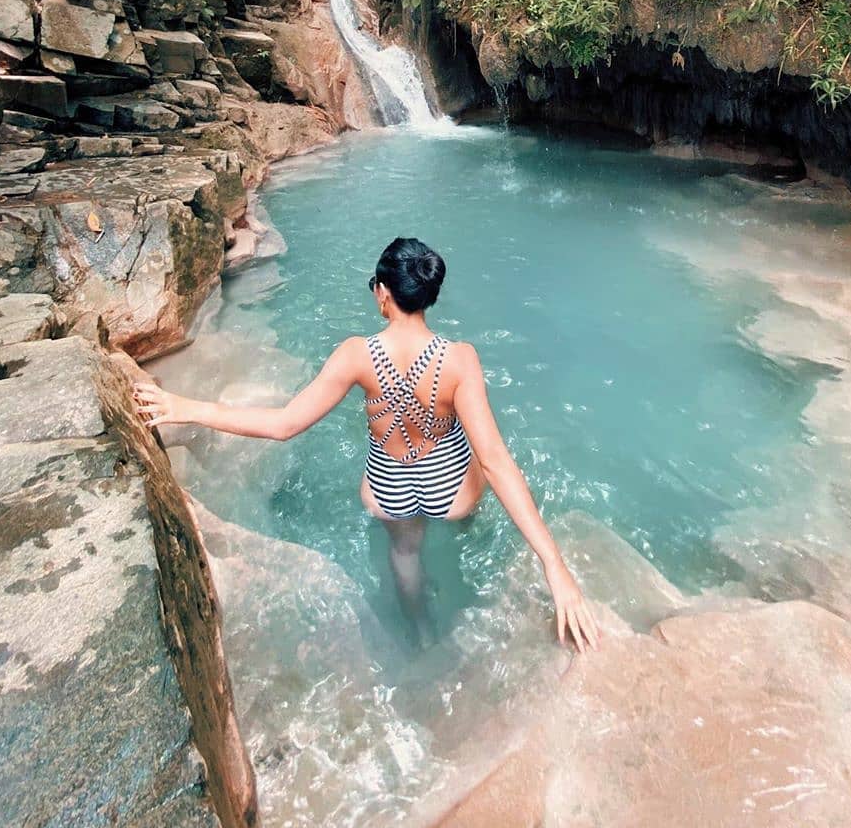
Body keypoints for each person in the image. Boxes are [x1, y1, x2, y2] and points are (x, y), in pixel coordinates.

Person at [133, 236, 600, 652]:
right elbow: (497, 462)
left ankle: (420, 632)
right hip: (452, 494)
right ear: (427, 297)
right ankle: (463, 531)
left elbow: (283, 424)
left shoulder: (357, 354)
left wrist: (183, 406)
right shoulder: (461, 360)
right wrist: (554, 566)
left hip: (388, 491)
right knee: (479, 454)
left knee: (404, 552)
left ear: (382, 292)